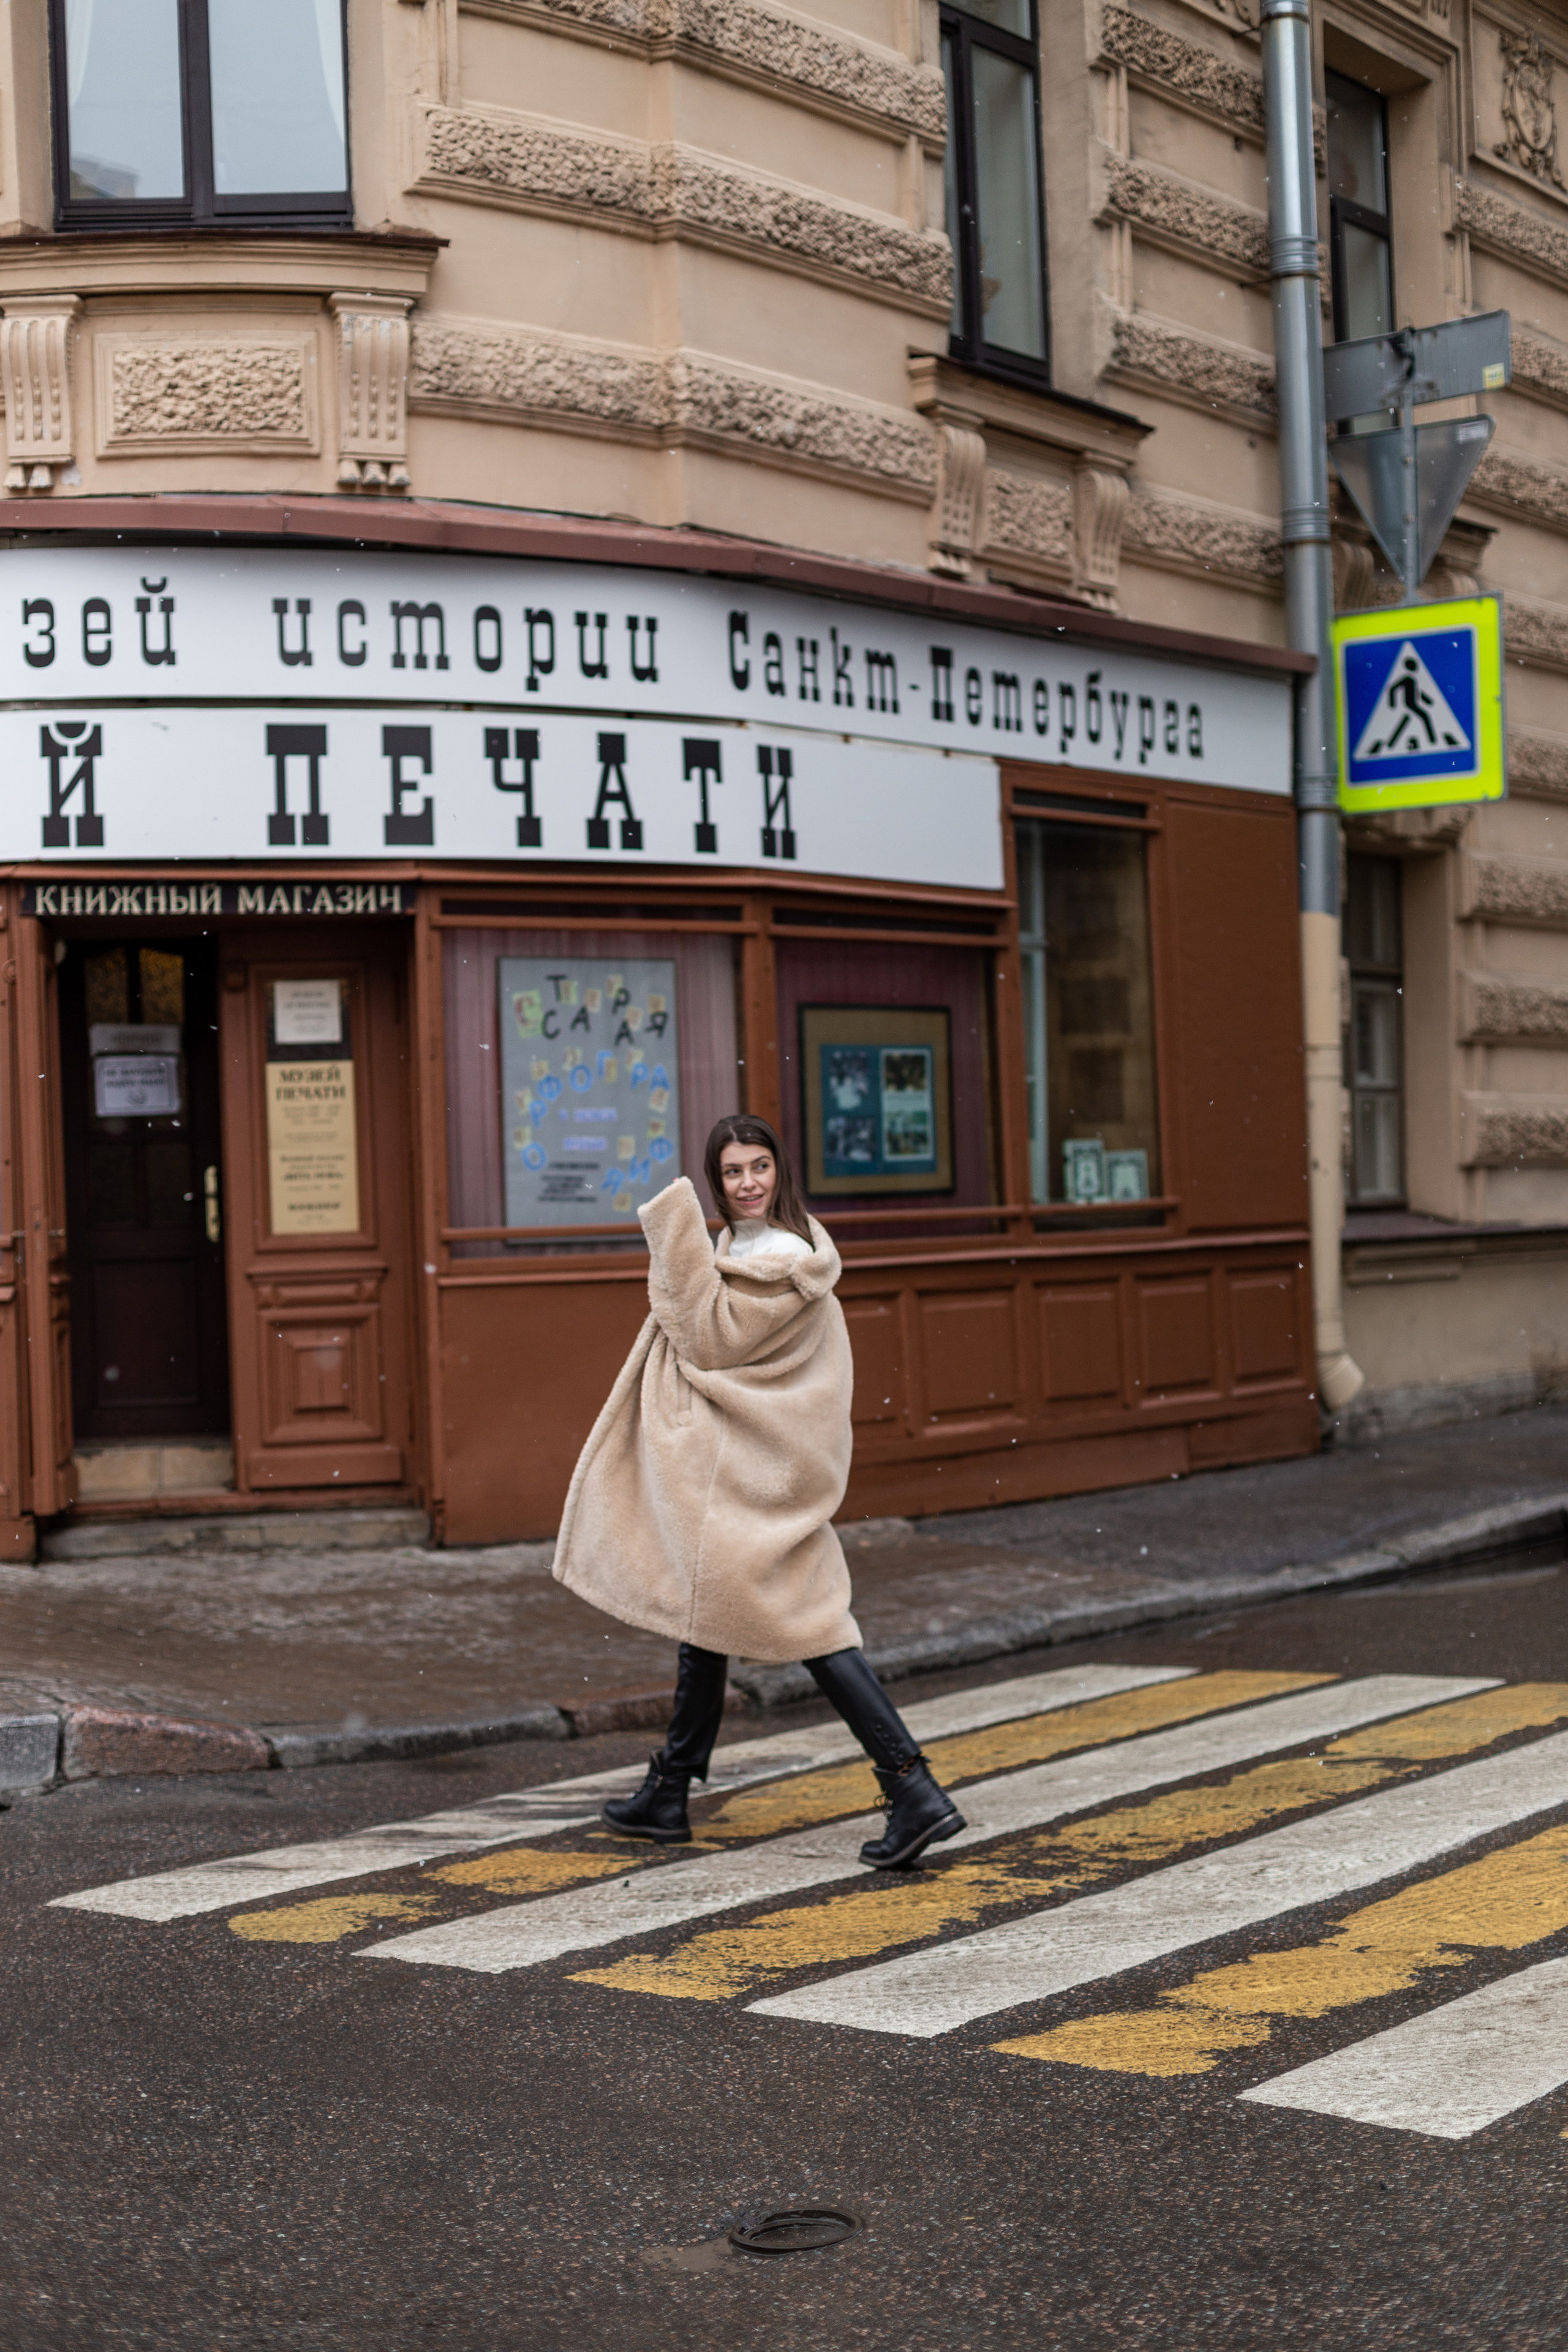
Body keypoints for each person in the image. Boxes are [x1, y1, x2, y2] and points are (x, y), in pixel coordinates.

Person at [552, 1112, 966, 1869]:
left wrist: (671, 1224)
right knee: (705, 1620)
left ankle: (912, 1787)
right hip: (739, 1474)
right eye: (733, 1172)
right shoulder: (750, 1249)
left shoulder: (780, 1259)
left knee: (812, 1630)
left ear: (781, 1172)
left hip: (749, 1480)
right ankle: (670, 1792)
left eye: (760, 1167)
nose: (748, 1183)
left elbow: (707, 1337)